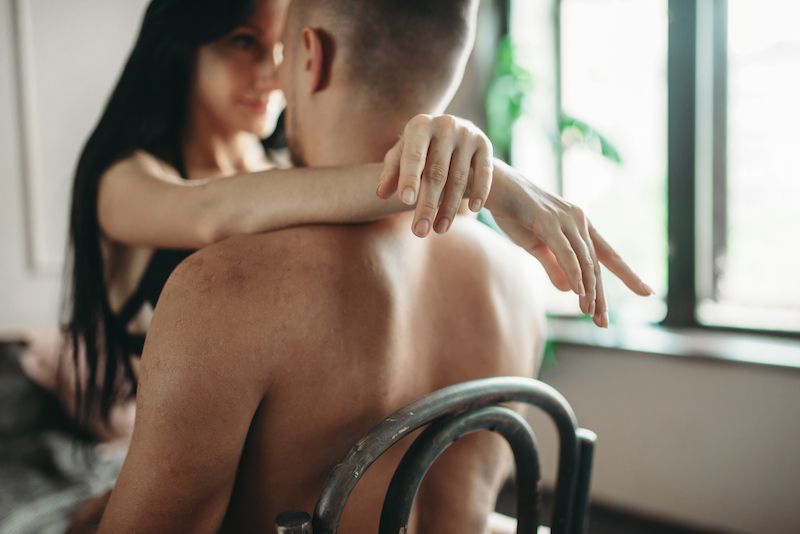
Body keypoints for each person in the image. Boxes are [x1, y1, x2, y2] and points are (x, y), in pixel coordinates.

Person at [75, 0, 651, 532]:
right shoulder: (512, 281)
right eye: (243, 43)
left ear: (309, 55)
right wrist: (484, 181)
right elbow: (212, 210)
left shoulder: (230, 278)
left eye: (278, 49)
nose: (272, 76)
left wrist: (455, 161)